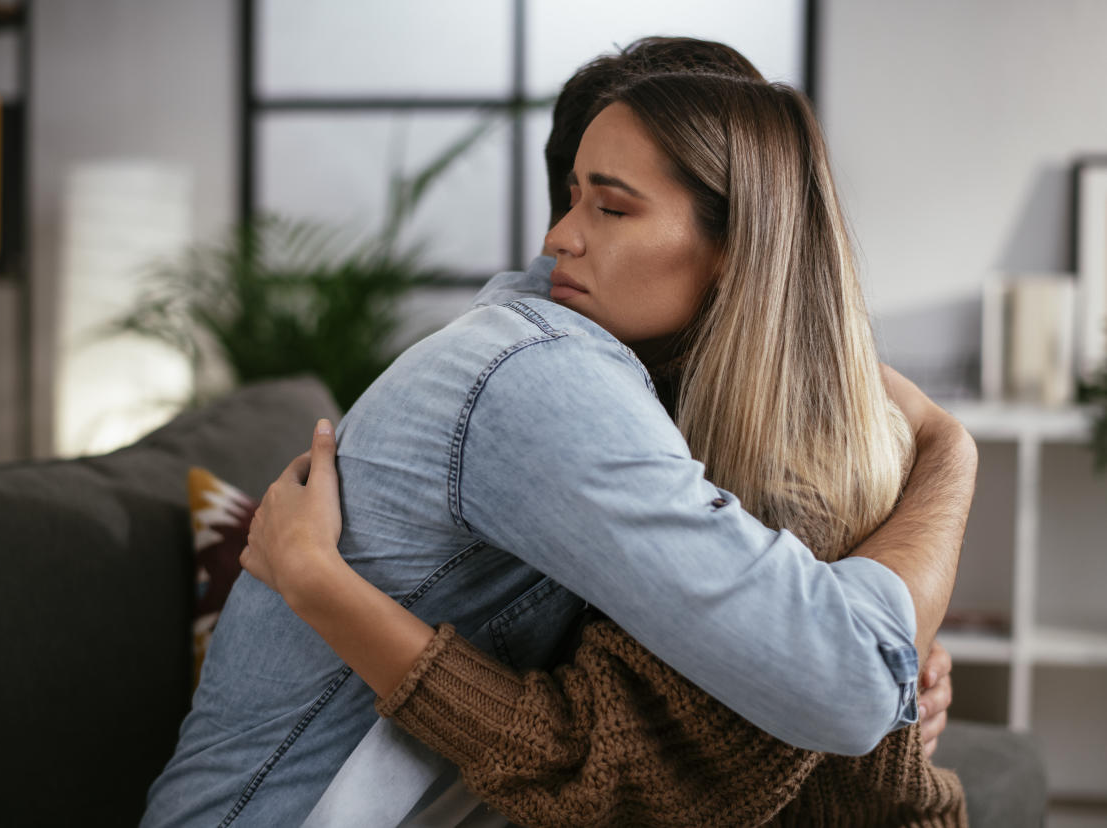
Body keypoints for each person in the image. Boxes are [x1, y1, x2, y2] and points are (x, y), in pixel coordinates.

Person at [141, 38, 973, 828]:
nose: (557, 238)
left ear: (740, 241)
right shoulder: (540, 377)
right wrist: (952, 454)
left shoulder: (685, 403)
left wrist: (904, 649)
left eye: (611, 206)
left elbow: (843, 675)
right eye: (580, 197)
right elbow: (851, 681)